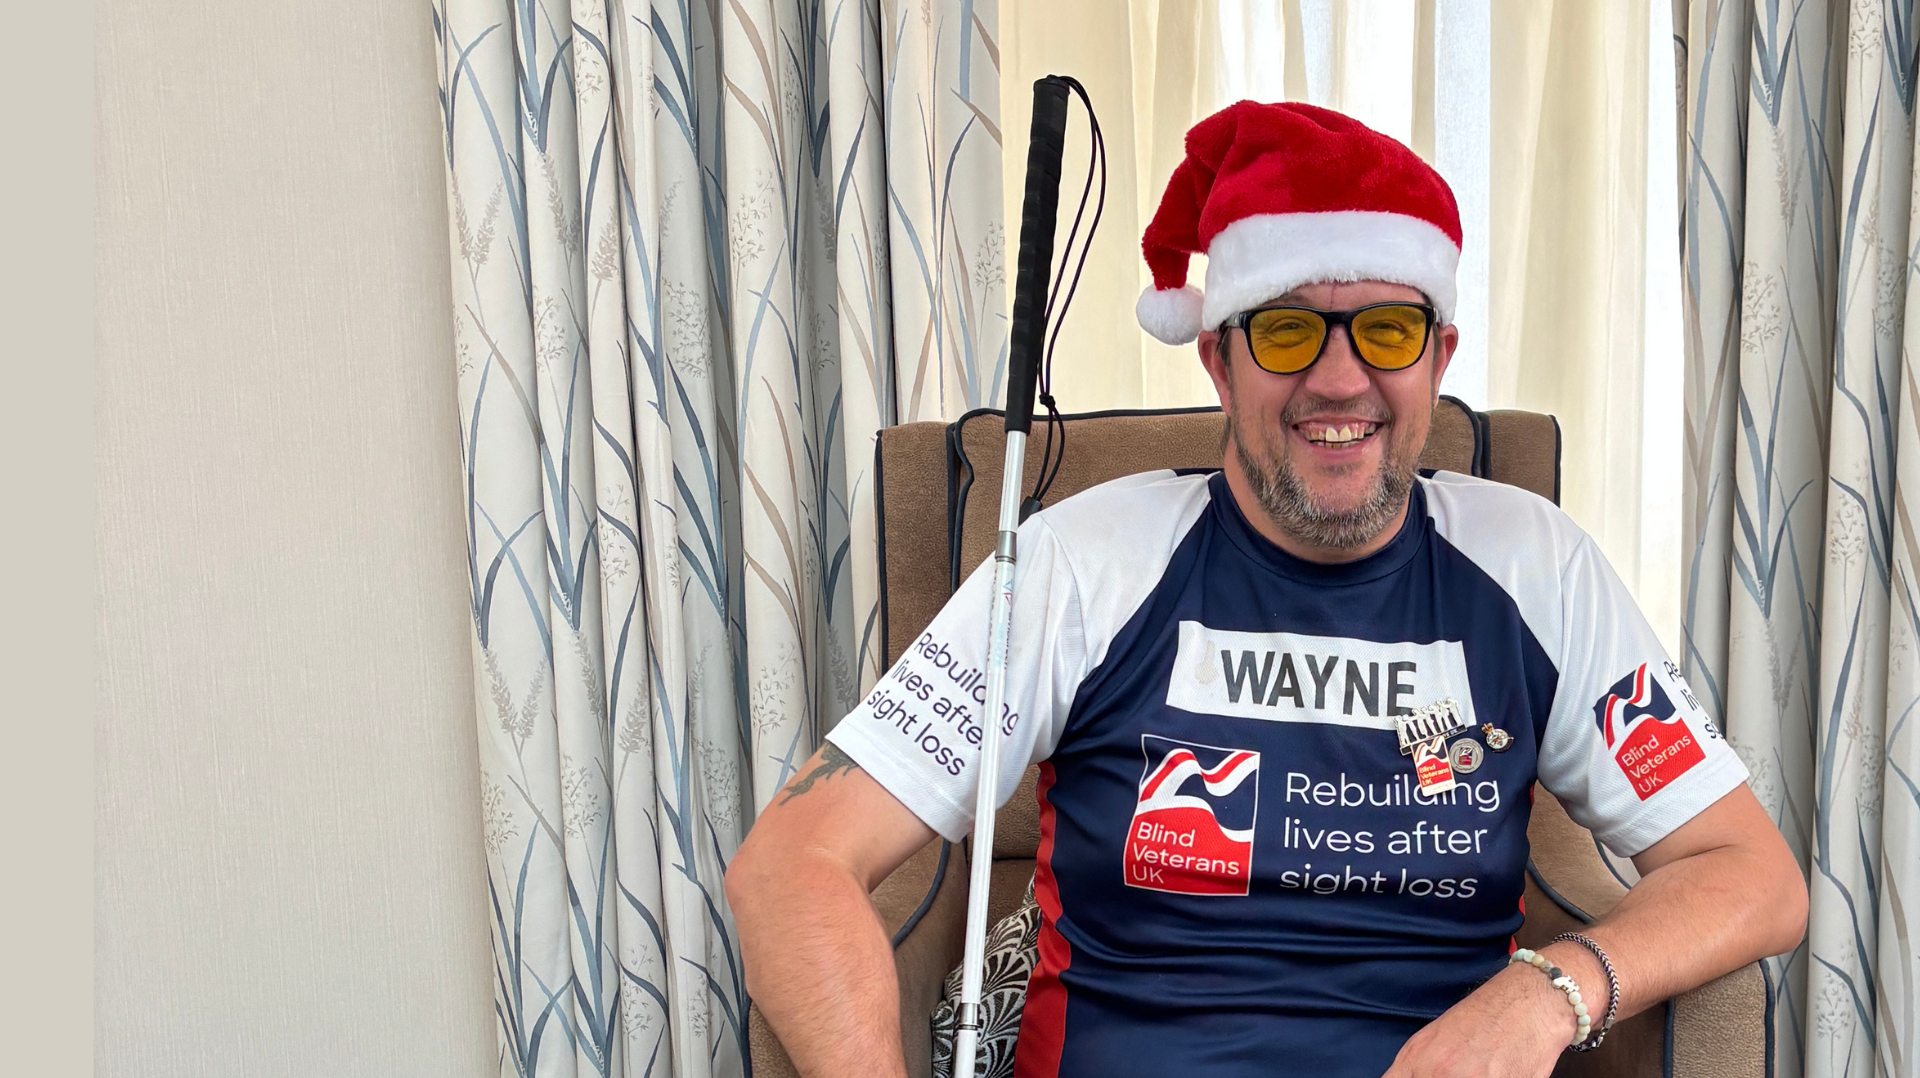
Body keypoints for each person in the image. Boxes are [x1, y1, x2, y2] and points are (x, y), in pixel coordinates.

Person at [726, 101, 1806, 1078]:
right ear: (1218, 361)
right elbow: (792, 863)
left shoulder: (1538, 568)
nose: (1339, 380)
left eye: (1385, 329)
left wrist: (1550, 991)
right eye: (1287, 330)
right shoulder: (1078, 564)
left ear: (1438, 357)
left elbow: (1752, 872)